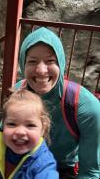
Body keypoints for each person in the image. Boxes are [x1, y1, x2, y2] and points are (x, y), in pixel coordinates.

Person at [15, 27, 100, 179]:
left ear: (61, 63)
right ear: (23, 64)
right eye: (32, 61)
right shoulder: (17, 93)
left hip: (61, 170)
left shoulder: (86, 107)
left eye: (50, 61)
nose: (41, 70)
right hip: (21, 166)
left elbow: (89, 172)